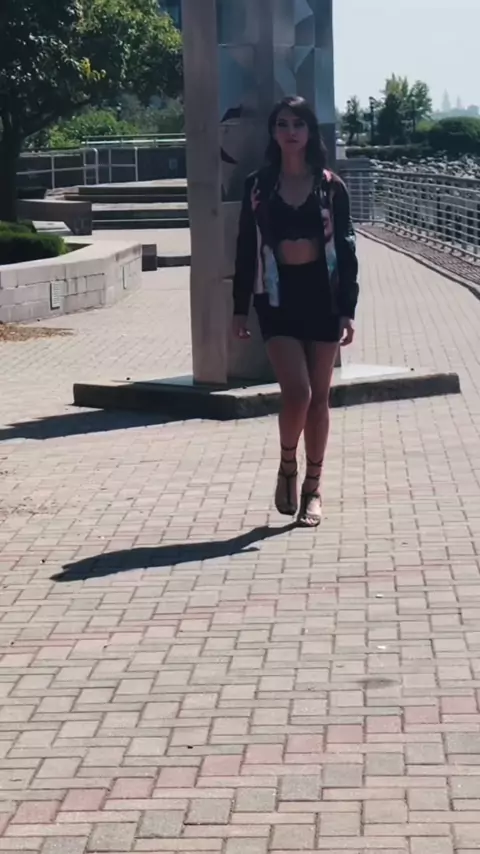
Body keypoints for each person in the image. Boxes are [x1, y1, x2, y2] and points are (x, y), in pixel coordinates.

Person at [232, 95, 359, 528]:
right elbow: (245, 247)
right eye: (283, 124)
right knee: (298, 393)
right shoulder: (258, 186)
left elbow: (346, 248)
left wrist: (348, 309)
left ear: (309, 132)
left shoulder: (330, 186)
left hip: (323, 297)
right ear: (273, 132)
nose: (290, 131)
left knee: (320, 398)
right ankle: (288, 465)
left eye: (298, 124)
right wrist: (238, 310)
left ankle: (313, 489)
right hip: (276, 298)